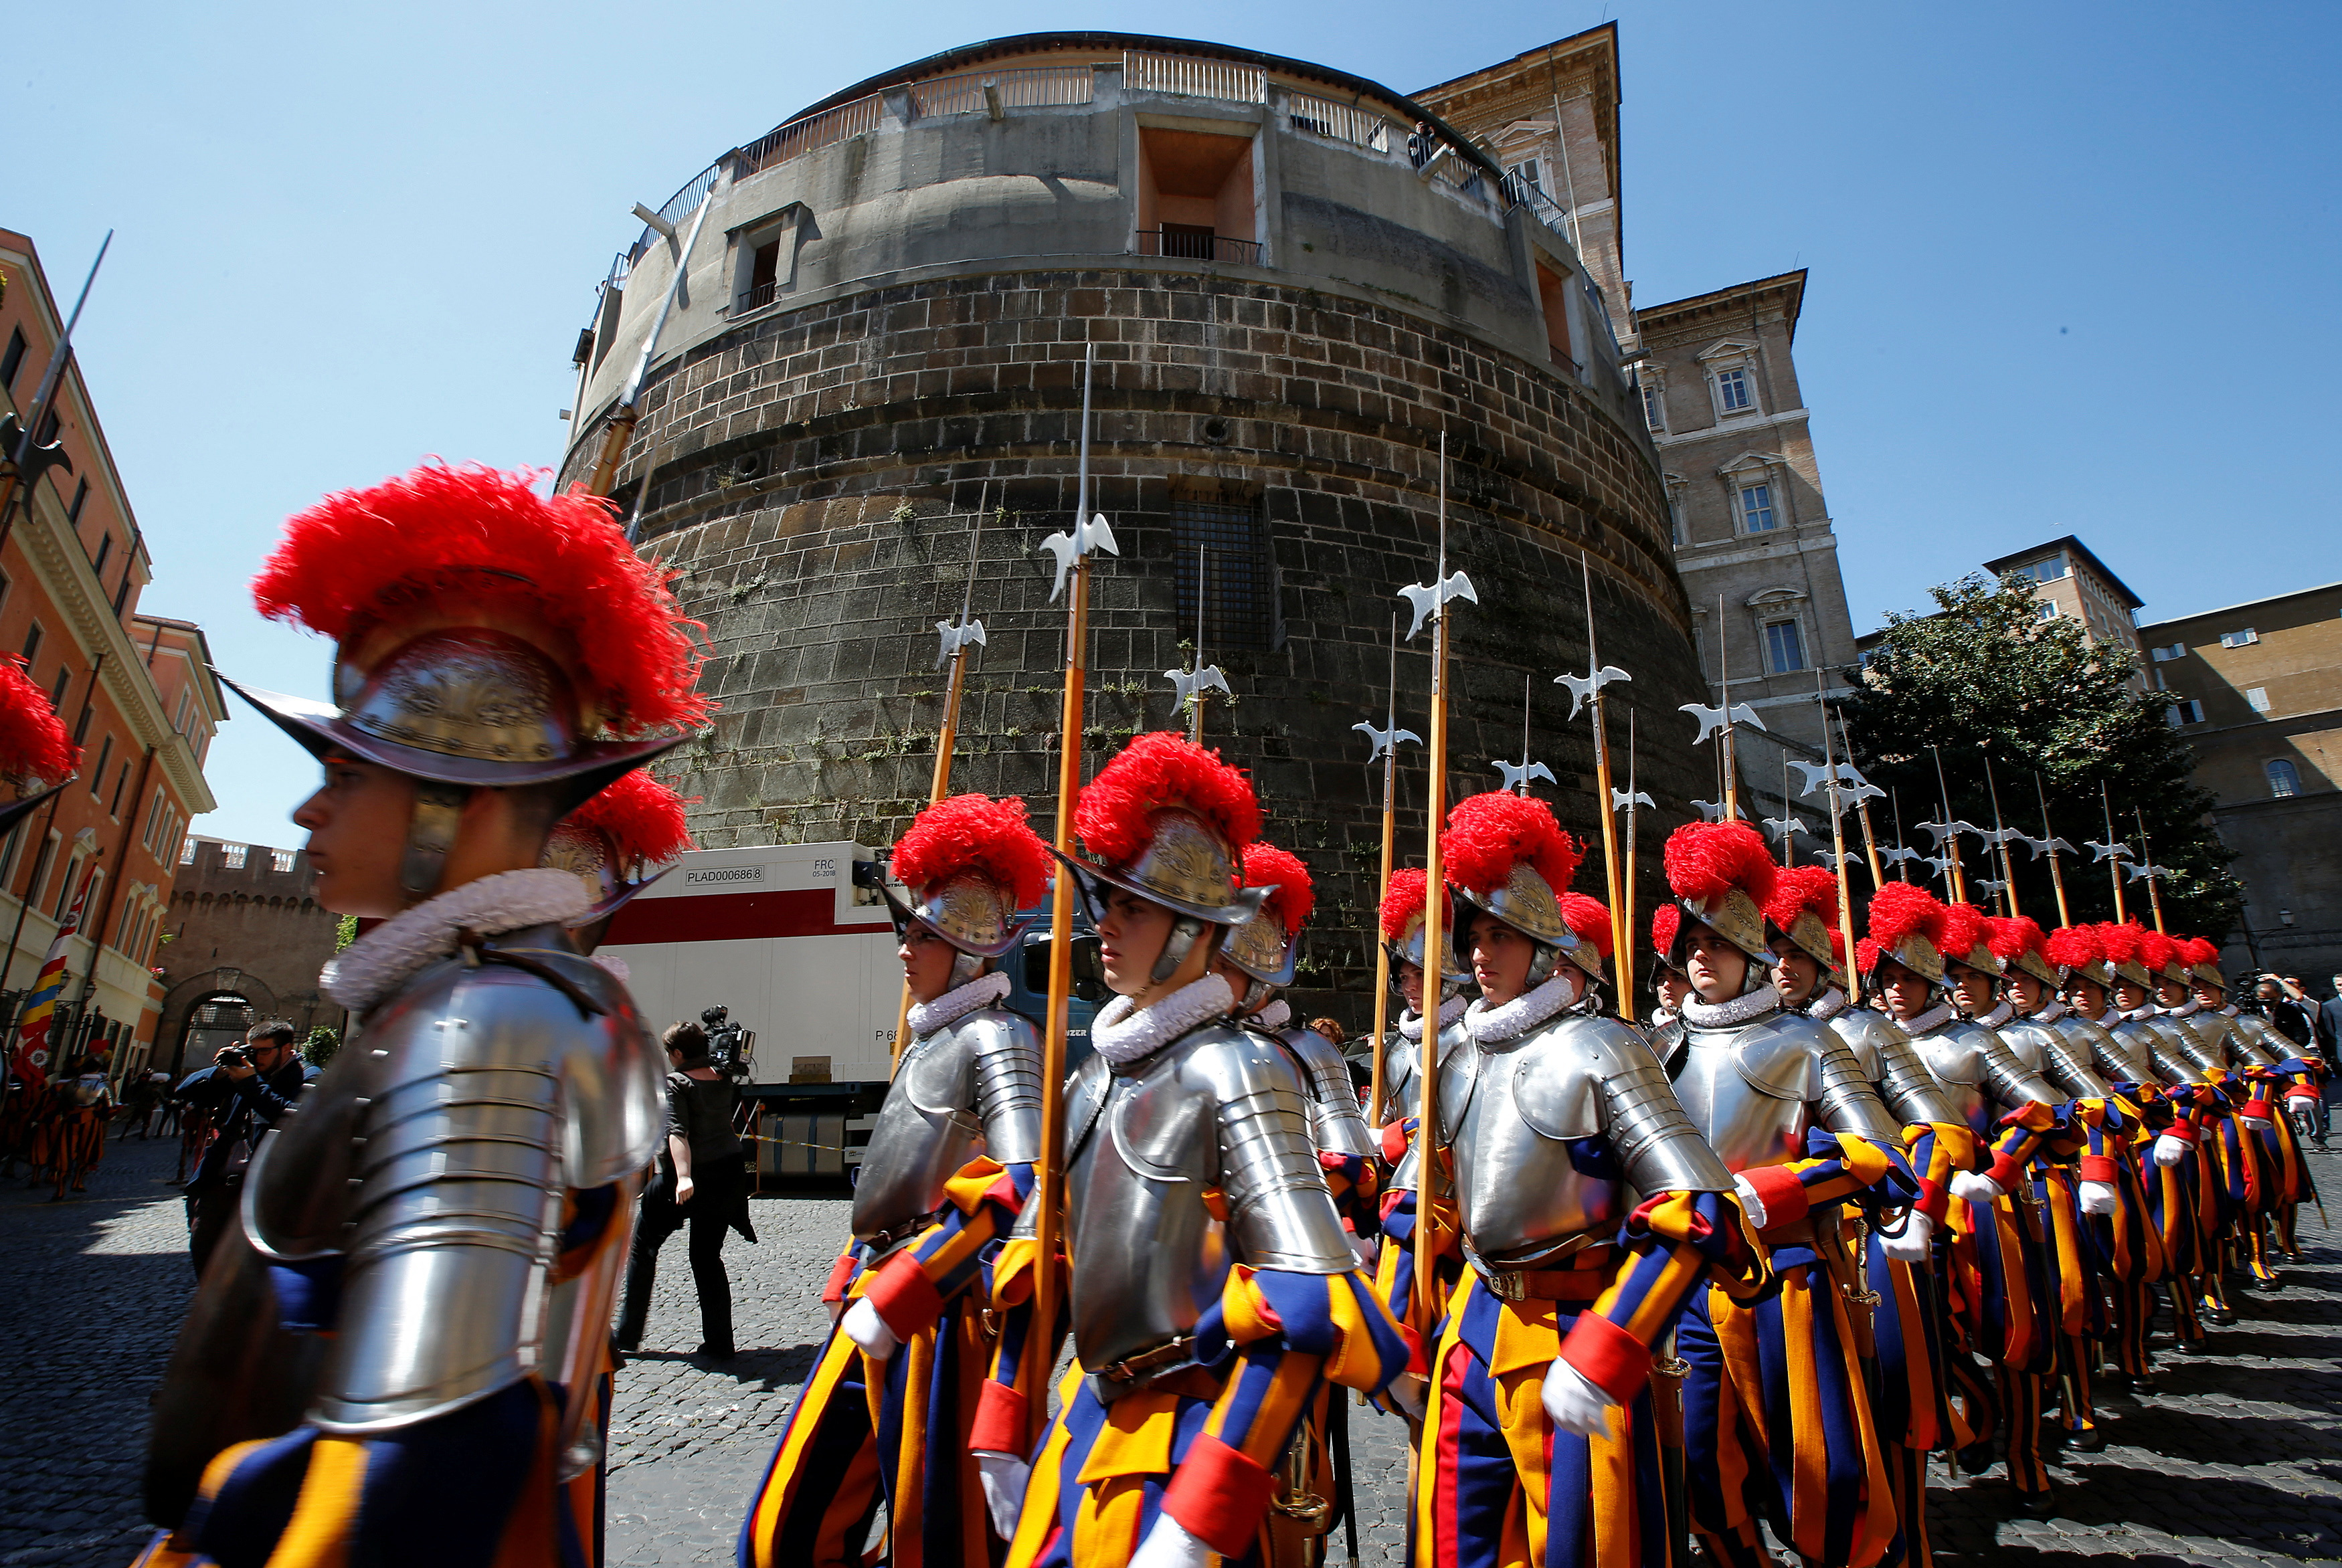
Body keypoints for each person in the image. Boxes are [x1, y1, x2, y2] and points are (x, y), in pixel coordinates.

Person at [137, 460, 702, 1565]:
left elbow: (432, 1437)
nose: (308, 803)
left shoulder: (486, 1021)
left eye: (349, 771)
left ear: (459, 805)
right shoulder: (457, 1001)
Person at [996, 732, 1405, 1568]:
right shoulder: (1090, 1077)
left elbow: (1301, 1299)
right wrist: (1002, 1419)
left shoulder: (1238, 1067)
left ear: (1191, 930)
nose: (1101, 925)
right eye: (1102, 902)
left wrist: (1203, 1507)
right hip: (1089, 1416)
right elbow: (1039, 1262)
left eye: (1130, 907)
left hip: (1192, 1423)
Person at [1410, 791, 1758, 1568]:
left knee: (1587, 1545)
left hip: (1575, 1321)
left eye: (1500, 935)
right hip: (1472, 1324)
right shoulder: (1458, 1054)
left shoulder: (1602, 1046)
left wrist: (1613, 1340)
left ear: (1541, 946)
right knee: (1449, 1543)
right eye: (1473, 935)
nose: (1477, 953)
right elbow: (1426, 1200)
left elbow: (1695, 1207)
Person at [741, 791, 1050, 1568]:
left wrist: (931, 1264)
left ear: (967, 948)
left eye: (919, 934)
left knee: (938, 1539)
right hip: (872, 1290)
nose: (902, 950)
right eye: (905, 932)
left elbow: (1024, 1180)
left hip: (941, 1311)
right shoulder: (933, 1034)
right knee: (785, 1531)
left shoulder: (997, 1039)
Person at [1657, 825, 1913, 1568]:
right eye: (1691, 943)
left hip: (1785, 1279)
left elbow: (1882, 1157)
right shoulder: (1656, 1044)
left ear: (1752, 954)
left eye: (1716, 942)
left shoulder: (1805, 1041)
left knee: (1821, 1469)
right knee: (1699, 1466)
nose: (1700, 955)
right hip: (1684, 1281)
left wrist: (1776, 1188)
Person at [615, 1021, 746, 1358]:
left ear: (676, 1053)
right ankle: (720, 1342)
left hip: (684, 1179)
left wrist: (684, 1176)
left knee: (643, 1247)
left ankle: (628, 1336)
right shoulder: (723, 1077)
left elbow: (677, 1132)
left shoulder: (677, 1082)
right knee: (706, 1257)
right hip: (726, 1175)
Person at [175, 1021, 317, 1273]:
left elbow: (296, 1120)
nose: (257, 1057)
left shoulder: (308, 1076)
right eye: (253, 1050)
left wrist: (252, 1084)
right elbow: (185, 1090)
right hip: (220, 1185)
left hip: (269, 1191)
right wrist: (220, 1072)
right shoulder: (244, 1072)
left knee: (256, 1271)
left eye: (265, 1051)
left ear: (287, 1048)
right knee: (205, 1258)